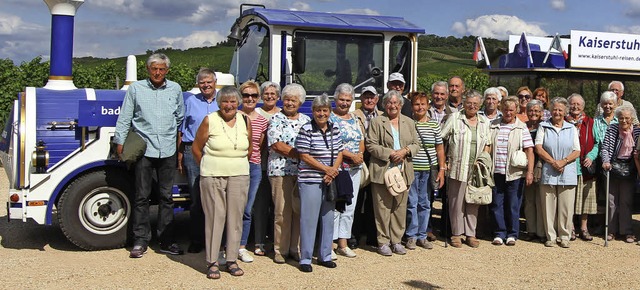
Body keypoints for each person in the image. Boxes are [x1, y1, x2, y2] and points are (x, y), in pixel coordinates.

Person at [114, 53, 185, 258]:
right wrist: (120, 141)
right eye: (154, 68)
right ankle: (140, 240)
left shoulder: (175, 89)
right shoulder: (136, 89)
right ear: (147, 69)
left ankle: (166, 240)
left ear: (167, 71)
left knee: (166, 197)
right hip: (145, 150)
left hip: (168, 149)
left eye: (161, 69)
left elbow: (180, 118)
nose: (157, 72)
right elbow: (126, 116)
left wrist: (179, 147)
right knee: (141, 196)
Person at [192, 86, 251, 279]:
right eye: (225, 101)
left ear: (238, 102)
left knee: (235, 219)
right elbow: (196, 148)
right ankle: (212, 262)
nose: (229, 105)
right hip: (213, 175)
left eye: (233, 101)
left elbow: (249, 148)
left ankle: (232, 259)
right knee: (215, 219)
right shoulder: (210, 120)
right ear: (219, 103)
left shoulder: (245, 120)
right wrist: (209, 166)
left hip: (239, 175)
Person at [366, 90, 420, 256]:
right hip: (383, 170)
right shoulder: (377, 122)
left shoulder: (409, 122)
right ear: (384, 105)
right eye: (389, 103)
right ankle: (383, 241)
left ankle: (396, 240)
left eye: (396, 103)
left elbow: (416, 144)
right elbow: (371, 144)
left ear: (401, 105)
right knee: (382, 208)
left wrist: (405, 151)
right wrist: (390, 153)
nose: (393, 106)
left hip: (403, 171)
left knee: (400, 207)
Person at [296, 94, 343, 273]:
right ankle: (306, 258)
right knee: (309, 219)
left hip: (329, 179)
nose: (321, 114)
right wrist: (326, 169)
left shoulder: (335, 128)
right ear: (313, 111)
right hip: (310, 179)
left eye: (324, 110)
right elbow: (304, 155)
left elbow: (339, 152)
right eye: (318, 110)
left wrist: (332, 171)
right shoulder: (306, 129)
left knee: (328, 219)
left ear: (330, 111)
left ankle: (325, 255)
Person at [441, 90, 492, 248]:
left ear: (480, 105)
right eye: (469, 103)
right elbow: (442, 139)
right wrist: (444, 162)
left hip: (476, 170)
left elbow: (488, 144)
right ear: (464, 103)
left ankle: (471, 233)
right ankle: (456, 233)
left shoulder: (484, 122)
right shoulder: (455, 118)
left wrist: (483, 159)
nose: (472, 106)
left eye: (475, 104)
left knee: (473, 201)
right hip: (457, 167)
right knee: (456, 202)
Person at [267, 83, 310, 264]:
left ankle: (296, 248)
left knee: (299, 211)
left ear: (300, 102)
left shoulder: (307, 121)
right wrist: (300, 154)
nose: (290, 103)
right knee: (282, 212)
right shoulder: (275, 119)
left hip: (302, 172)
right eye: (287, 99)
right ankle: (280, 250)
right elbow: (276, 144)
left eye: (293, 100)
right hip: (280, 171)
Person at [178, 68, 219, 254]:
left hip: (217, 152)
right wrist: (180, 154)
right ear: (198, 84)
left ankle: (218, 240)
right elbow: (182, 128)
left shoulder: (224, 100)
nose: (206, 85)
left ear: (215, 81)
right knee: (196, 198)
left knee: (218, 197)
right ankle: (197, 239)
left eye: (209, 81)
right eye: (202, 82)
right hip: (192, 151)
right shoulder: (190, 101)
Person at [488, 96, 535, 246]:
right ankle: (499, 232)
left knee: (513, 204)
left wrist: (530, 172)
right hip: (496, 171)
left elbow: (529, 151)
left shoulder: (521, 128)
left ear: (516, 111)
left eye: (511, 110)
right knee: (496, 203)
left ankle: (512, 233)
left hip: (514, 173)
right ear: (501, 109)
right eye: (506, 109)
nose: (508, 113)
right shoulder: (493, 125)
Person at [535, 97, 580, 248]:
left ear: (565, 111)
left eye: (560, 110)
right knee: (548, 206)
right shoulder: (544, 126)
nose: (557, 112)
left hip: (567, 172)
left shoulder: (571, 128)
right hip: (549, 171)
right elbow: (538, 147)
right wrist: (554, 162)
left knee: (566, 207)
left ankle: (565, 236)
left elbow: (577, 150)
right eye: (555, 109)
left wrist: (564, 161)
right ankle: (551, 236)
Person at [405, 91, 445, 250]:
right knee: (412, 203)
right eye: (416, 104)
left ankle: (423, 235)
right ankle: (411, 235)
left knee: (426, 203)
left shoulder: (434, 124)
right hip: (411, 169)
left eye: (423, 104)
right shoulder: (408, 123)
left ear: (428, 105)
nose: (420, 107)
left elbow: (440, 149)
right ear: (412, 106)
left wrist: (441, 169)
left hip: (429, 170)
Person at [329, 84, 364, 258]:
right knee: (336, 205)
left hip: (355, 169)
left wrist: (360, 155)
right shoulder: (330, 118)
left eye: (348, 100)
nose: (344, 103)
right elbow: (332, 144)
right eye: (341, 99)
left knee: (350, 206)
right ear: (335, 100)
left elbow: (361, 139)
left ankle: (343, 241)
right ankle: (330, 243)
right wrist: (350, 155)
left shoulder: (355, 119)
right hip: (339, 169)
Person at [237, 81, 269, 263]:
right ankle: (228, 245)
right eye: (246, 95)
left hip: (253, 167)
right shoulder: (233, 116)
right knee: (232, 208)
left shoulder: (263, 121)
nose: (250, 99)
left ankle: (241, 246)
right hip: (234, 166)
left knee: (247, 209)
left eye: (254, 96)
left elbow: (260, 147)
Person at [602, 106, 640, 243]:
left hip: (630, 168)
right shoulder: (612, 129)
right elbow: (606, 147)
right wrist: (605, 161)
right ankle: (611, 230)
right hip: (613, 166)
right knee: (611, 202)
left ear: (632, 119)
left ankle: (627, 231)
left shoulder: (636, 131)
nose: (624, 120)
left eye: (627, 118)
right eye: (621, 118)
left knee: (626, 201)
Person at [252, 81, 281, 256]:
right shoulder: (256, 113)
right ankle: (259, 241)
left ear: (278, 97)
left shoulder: (283, 114)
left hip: (278, 168)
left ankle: (276, 242)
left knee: (278, 207)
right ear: (261, 96)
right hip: (261, 166)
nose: (270, 96)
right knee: (260, 206)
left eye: (273, 93)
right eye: (266, 93)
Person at [352, 86, 383, 247]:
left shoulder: (382, 116)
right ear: (361, 99)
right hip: (359, 159)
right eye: (366, 97)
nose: (369, 100)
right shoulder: (353, 116)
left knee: (374, 201)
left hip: (377, 161)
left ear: (377, 99)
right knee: (356, 200)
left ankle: (372, 236)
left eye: (372, 97)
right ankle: (353, 236)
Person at [565, 93, 596, 242]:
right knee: (569, 198)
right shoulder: (563, 121)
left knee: (586, 199)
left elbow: (597, 142)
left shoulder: (590, 122)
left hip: (586, 166)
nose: (575, 107)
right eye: (572, 104)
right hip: (569, 166)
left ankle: (584, 228)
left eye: (578, 104)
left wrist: (591, 156)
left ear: (583, 107)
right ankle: (570, 227)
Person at [522, 100, 546, 241]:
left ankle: (541, 231)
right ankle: (531, 230)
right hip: (525, 166)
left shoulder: (545, 127)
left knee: (541, 200)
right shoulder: (523, 127)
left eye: (537, 111)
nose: (534, 113)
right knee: (529, 200)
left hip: (542, 166)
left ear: (542, 113)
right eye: (531, 110)